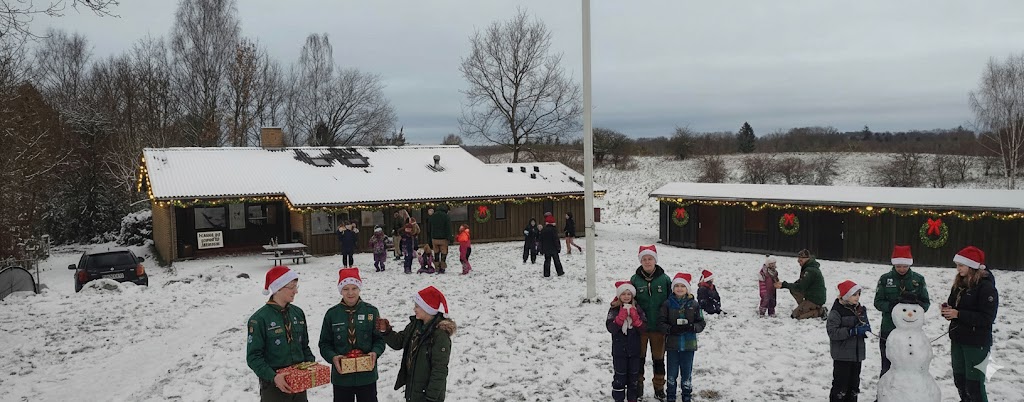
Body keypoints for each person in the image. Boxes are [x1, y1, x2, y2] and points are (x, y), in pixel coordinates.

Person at [246, 266, 316, 402]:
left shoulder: (298, 313)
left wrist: (311, 364)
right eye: (291, 287)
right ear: (278, 288)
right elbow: (253, 357)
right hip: (274, 387)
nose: (296, 291)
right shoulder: (259, 319)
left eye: (296, 286)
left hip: (299, 385)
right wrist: (273, 377)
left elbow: (304, 346)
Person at [379, 286, 456, 402]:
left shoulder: (440, 336)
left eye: (417, 306)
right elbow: (399, 342)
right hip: (413, 391)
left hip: (428, 396)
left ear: (427, 309)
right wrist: (387, 331)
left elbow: (439, 371)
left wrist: (431, 398)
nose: (414, 309)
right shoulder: (415, 326)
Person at [319, 268, 386, 402]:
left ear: (359, 289)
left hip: (367, 376)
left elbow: (379, 339)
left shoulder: (371, 312)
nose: (350, 293)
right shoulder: (332, 314)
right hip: (342, 378)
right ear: (340, 291)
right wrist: (333, 357)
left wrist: (375, 352)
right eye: (346, 289)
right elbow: (324, 344)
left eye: (354, 288)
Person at [941, 246, 998, 402]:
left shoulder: (986, 288)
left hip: (976, 343)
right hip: (958, 339)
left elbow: (987, 318)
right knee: (960, 381)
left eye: (961, 265)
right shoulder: (959, 283)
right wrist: (947, 311)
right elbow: (953, 305)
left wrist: (959, 314)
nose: (958, 268)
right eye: (957, 265)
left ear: (972, 266)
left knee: (974, 385)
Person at [873, 245, 930, 377]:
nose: (902, 269)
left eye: (905, 266)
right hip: (889, 328)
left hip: (911, 332)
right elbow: (878, 302)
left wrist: (916, 304)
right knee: (887, 365)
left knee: (910, 366)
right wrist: (892, 306)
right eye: (898, 266)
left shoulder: (918, 280)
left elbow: (926, 304)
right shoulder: (885, 279)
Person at [630, 245, 672, 401]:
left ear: (655, 260)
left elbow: (671, 300)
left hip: (658, 328)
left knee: (658, 359)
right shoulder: (635, 279)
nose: (647, 262)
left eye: (650, 259)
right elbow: (629, 299)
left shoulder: (664, 279)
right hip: (640, 328)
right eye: (644, 259)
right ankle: (638, 387)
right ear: (640, 261)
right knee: (638, 358)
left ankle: (659, 387)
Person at [659, 273, 705, 402]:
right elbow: (661, 322)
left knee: (686, 371)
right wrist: (670, 329)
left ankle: (686, 394)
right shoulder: (667, 304)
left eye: (682, 286)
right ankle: (671, 394)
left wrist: (692, 327)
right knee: (672, 372)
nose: (679, 288)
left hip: (689, 344)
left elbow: (701, 322)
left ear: (687, 288)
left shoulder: (694, 304)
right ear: (673, 288)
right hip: (672, 344)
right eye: (677, 286)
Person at [826, 280, 870, 402]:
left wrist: (864, 326)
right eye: (854, 295)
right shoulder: (837, 311)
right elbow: (832, 332)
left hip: (857, 355)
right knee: (841, 386)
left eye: (859, 294)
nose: (857, 297)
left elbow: (863, 325)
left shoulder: (859, 309)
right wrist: (851, 331)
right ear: (845, 296)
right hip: (842, 356)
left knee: (854, 386)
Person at [607, 280, 647, 402]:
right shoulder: (614, 308)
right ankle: (618, 398)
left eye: (629, 294)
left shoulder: (637, 308)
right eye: (623, 294)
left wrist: (636, 320)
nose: (626, 296)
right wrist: (620, 319)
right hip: (619, 350)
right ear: (619, 295)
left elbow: (644, 328)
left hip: (634, 349)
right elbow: (611, 328)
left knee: (633, 377)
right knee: (620, 376)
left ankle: (632, 398)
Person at [776, 249, 827, 319]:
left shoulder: (810, 271)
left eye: (800, 260)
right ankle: (805, 306)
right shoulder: (809, 268)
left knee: (796, 316)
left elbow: (800, 287)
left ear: (807, 259)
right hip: (811, 295)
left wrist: (784, 285)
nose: (799, 262)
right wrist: (787, 285)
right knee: (793, 289)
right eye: (798, 260)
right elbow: (800, 283)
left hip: (815, 299)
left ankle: (820, 311)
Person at [429, 205, 453, 273]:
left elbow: (429, 228)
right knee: (443, 253)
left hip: (434, 238)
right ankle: (442, 268)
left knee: (436, 253)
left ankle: (437, 267)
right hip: (443, 239)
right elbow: (448, 228)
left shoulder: (433, 216)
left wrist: (430, 238)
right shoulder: (446, 216)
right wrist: (450, 238)